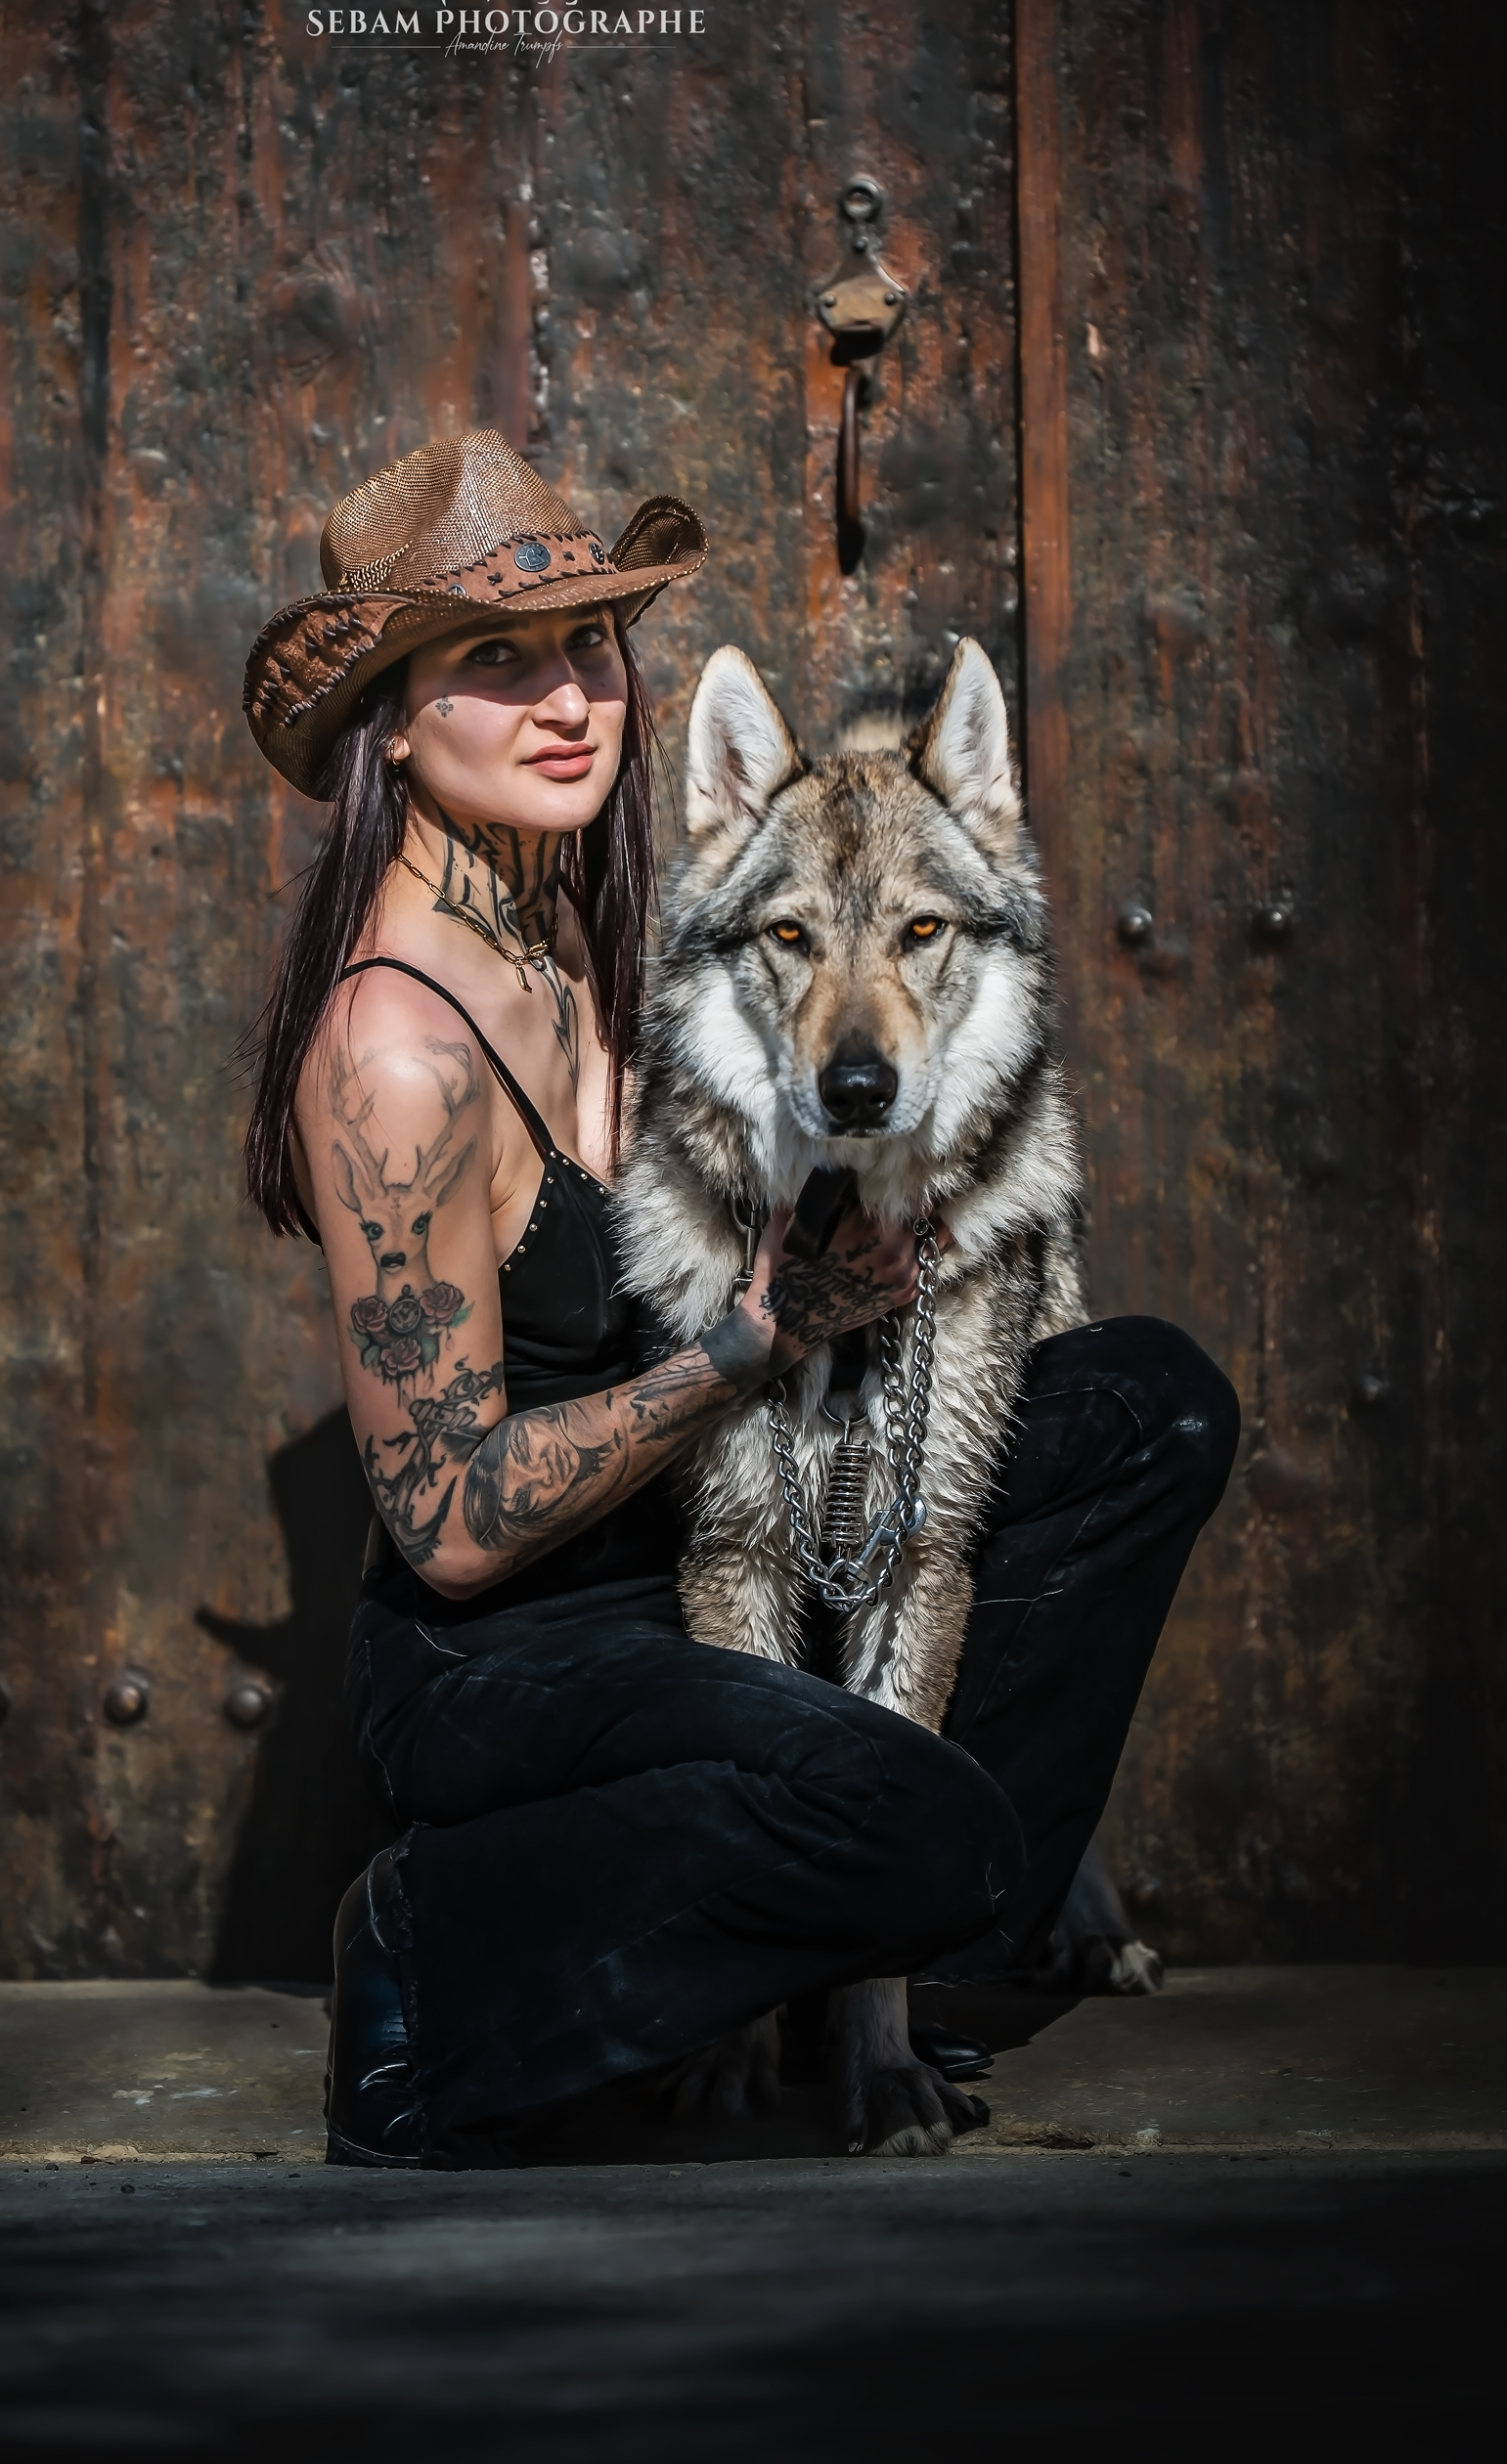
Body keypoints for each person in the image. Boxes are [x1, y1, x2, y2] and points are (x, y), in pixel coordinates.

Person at [243, 432, 1238, 2167]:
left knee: (1151, 1407)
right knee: (919, 1828)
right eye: (497, 659)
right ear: (391, 722)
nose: (571, 698)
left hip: (667, 1579)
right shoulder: (395, 1049)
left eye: (588, 645)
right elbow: (451, 1529)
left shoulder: (587, 931)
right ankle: (439, 1949)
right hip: (505, 1655)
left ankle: (863, 1907)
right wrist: (750, 1339)